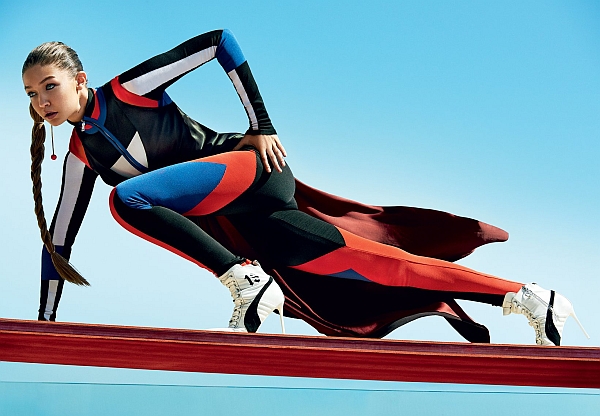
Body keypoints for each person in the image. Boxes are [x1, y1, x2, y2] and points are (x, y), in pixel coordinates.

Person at [22, 29, 588, 345]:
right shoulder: (80, 158)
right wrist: (45, 330)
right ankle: (528, 298)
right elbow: (59, 247)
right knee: (380, 265)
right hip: (254, 221)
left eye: (49, 86)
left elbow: (219, 42)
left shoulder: (129, 90)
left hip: (252, 170)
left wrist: (262, 124)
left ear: (79, 80)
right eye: (31, 94)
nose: (42, 101)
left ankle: (243, 281)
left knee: (127, 198)